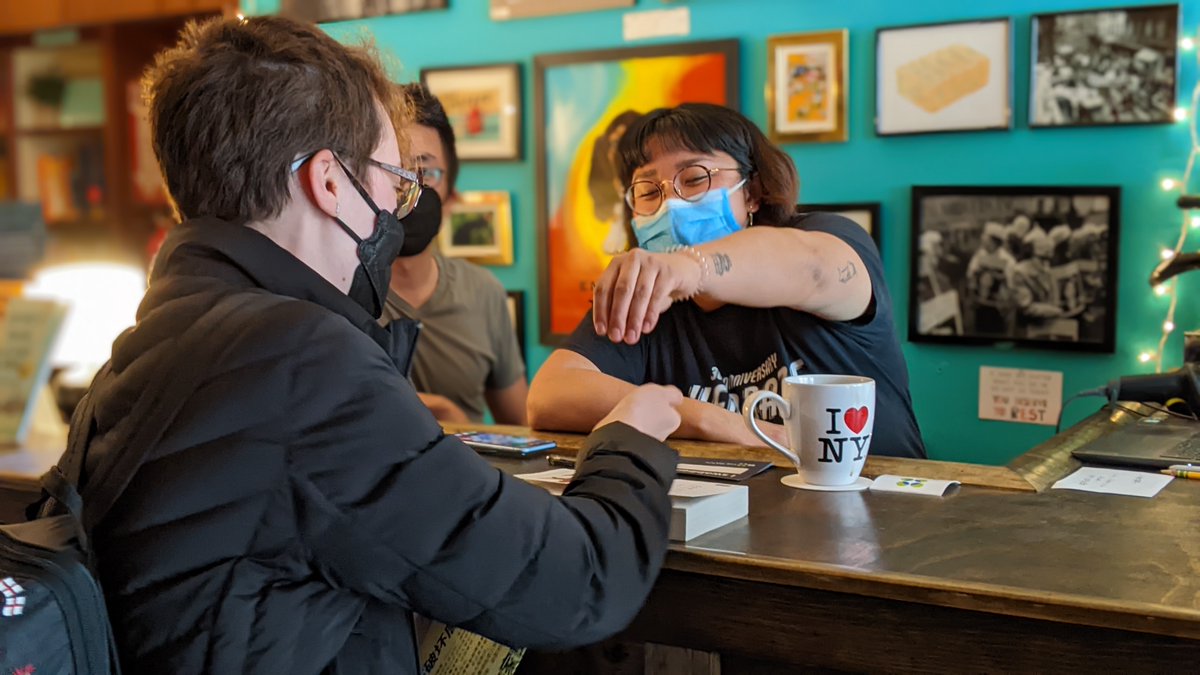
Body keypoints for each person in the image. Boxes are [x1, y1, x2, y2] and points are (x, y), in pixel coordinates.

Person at [74, 16, 685, 673]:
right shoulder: (301, 360)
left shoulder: (140, 350)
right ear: (331, 182)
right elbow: (579, 584)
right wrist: (631, 435)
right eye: (393, 181)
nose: (397, 210)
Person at [528, 103, 925, 459]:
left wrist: (692, 267)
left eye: (695, 178)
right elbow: (549, 396)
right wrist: (711, 421)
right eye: (649, 190)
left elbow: (814, 268)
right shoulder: (652, 298)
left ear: (752, 192)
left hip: (888, 511)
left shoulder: (828, 238)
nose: (672, 203)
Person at [380, 83, 526, 424]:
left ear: (452, 195)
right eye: (394, 170)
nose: (409, 188)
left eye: (425, 172)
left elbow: (521, 427)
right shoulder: (339, 292)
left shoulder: (483, 292)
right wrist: (440, 412)